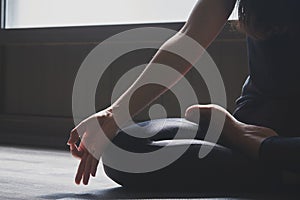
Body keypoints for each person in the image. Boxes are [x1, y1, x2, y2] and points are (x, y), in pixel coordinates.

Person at [67, 0, 300, 187]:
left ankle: (267, 154)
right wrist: (113, 114)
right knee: (123, 150)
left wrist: (237, 132)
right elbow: (188, 38)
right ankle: (265, 155)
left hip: (286, 143)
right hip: (256, 118)